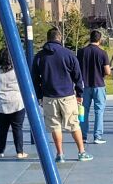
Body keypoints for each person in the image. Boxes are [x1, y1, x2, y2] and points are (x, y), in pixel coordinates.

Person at [32, 27, 92, 163]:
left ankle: (60, 154)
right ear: (60, 38)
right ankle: (81, 152)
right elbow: (77, 76)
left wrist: (39, 95)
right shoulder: (68, 54)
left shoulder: (39, 57)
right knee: (74, 124)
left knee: (55, 126)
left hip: (49, 96)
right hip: (67, 95)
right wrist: (79, 93)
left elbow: (35, 78)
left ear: (48, 38)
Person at [0, 47, 28, 159]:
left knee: (2, 128)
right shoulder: (18, 71)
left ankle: (0, 151)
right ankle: (20, 152)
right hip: (17, 102)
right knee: (17, 128)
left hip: (0, 103)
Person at [77, 30, 111, 145]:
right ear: (99, 39)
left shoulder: (81, 52)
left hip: (84, 86)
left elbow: (76, 69)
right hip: (99, 85)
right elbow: (107, 71)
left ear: (89, 38)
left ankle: (83, 136)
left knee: (83, 112)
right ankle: (97, 136)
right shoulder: (102, 53)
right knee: (99, 111)